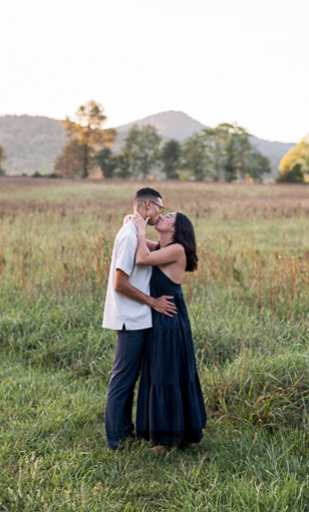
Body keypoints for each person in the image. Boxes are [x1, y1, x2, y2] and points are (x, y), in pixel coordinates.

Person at [102, 187, 178, 450]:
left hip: (139, 317)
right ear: (148, 205)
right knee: (122, 379)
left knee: (130, 378)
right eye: (161, 207)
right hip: (130, 318)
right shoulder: (128, 236)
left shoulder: (136, 233)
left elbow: (162, 252)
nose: (161, 213)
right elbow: (119, 283)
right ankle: (115, 440)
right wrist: (153, 302)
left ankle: (124, 430)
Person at [129, 209, 207, 449]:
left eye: (169, 215)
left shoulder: (176, 250)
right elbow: (140, 244)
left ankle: (167, 438)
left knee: (166, 372)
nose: (163, 216)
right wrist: (133, 224)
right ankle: (179, 433)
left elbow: (141, 258)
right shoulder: (164, 248)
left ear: (175, 229)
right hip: (163, 315)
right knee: (167, 371)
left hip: (169, 318)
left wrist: (141, 229)